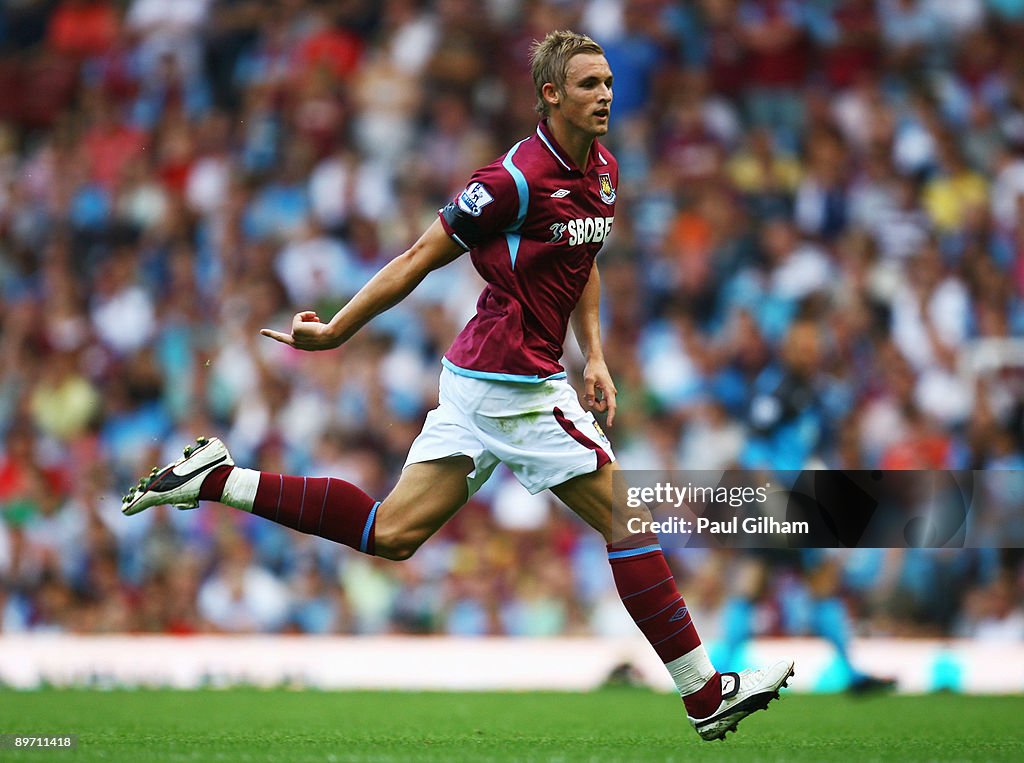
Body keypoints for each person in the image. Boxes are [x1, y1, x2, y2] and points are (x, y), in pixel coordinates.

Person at [122, 30, 793, 740]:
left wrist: (593, 354)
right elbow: (419, 255)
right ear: (551, 94)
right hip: (514, 382)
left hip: (485, 375)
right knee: (626, 518)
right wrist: (338, 330)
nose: (605, 95)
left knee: (393, 530)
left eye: (607, 83)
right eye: (589, 84)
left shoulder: (603, 170)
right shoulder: (511, 180)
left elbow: (582, 258)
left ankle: (219, 477)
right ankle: (704, 692)